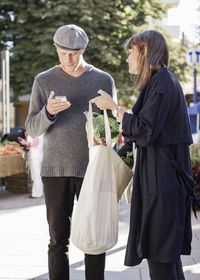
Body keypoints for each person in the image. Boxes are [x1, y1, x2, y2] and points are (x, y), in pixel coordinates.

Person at [90, 30, 195, 280]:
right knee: (165, 258)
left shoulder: (163, 84)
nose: (127, 59)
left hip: (164, 186)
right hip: (161, 183)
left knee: (161, 259)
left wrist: (116, 110)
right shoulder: (158, 83)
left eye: (131, 53)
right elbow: (144, 135)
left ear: (145, 52)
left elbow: (145, 130)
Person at [25, 24, 117, 280]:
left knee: (94, 238)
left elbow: (113, 128)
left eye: (74, 53)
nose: (68, 58)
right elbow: (32, 129)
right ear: (56, 49)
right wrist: (49, 113)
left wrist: (102, 127)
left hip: (93, 170)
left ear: (83, 49)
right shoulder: (43, 80)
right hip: (55, 171)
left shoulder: (103, 79)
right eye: (63, 52)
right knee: (57, 240)